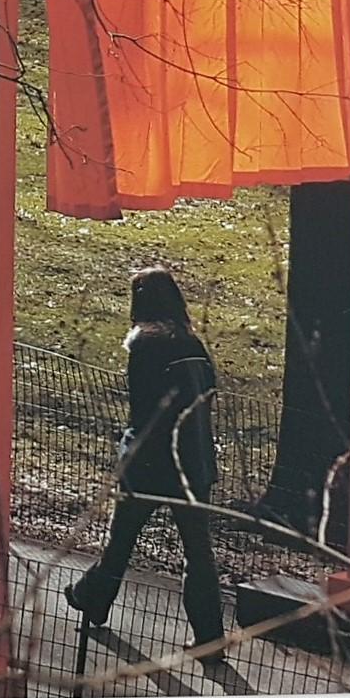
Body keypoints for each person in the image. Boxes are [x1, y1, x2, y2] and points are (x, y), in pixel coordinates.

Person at [66, 267, 227, 653]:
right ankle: (210, 636)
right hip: (193, 463)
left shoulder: (143, 346)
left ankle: (94, 599)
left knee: (121, 539)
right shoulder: (193, 344)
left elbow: (142, 411)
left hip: (149, 464)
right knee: (197, 550)